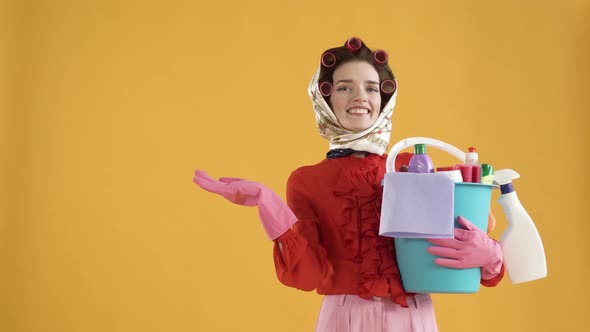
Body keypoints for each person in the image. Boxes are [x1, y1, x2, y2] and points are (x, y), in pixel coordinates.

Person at [193, 37, 504, 332]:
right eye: (345, 87)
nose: (360, 98)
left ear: (384, 98)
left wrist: (490, 255)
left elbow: (470, 258)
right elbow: (309, 274)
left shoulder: (410, 166)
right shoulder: (306, 181)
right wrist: (266, 201)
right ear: (324, 97)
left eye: (371, 88)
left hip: (413, 319)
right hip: (344, 319)